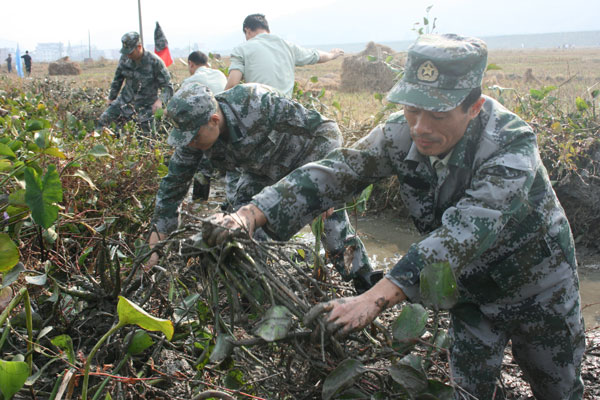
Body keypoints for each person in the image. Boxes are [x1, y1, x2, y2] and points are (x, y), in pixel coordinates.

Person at [203, 34, 585, 399]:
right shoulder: (401, 134)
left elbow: (466, 230)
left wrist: (374, 298)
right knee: (468, 389)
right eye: (412, 109)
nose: (421, 127)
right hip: (470, 289)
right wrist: (251, 214)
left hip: (537, 285)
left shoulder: (511, 144)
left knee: (557, 388)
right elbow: (337, 171)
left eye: (437, 113)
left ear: (474, 106)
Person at [148, 82, 382, 293]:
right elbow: (172, 189)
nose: (189, 143)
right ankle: (254, 291)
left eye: (194, 137)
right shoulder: (193, 135)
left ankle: (367, 286)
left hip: (305, 164)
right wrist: (154, 247)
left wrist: (324, 187)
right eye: (185, 137)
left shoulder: (256, 102)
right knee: (238, 231)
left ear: (214, 120)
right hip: (259, 173)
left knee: (334, 234)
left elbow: (327, 130)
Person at [224, 13, 344, 97]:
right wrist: (332, 55)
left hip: (259, 110)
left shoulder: (241, 49)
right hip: (287, 110)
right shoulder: (288, 45)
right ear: (267, 30)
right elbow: (316, 56)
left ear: (247, 30)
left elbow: (232, 85)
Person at [98, 32, 173, 134]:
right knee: (104, 120)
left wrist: (160, 101)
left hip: (146, 107)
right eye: (126, 52)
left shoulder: (155, 62)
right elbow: (117, 79)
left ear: (139, 47)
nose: (128, 55)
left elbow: (167, 87)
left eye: (131, 52)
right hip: (124, 102)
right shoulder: (125, 58)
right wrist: (111, 98)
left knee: (145, 135)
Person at [182, 50, 228, 201]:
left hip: (207, 127)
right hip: (225, 124)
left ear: (191, 64)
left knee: (202, 164)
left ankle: (199, 200)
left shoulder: (190, 82)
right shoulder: (220, 74)